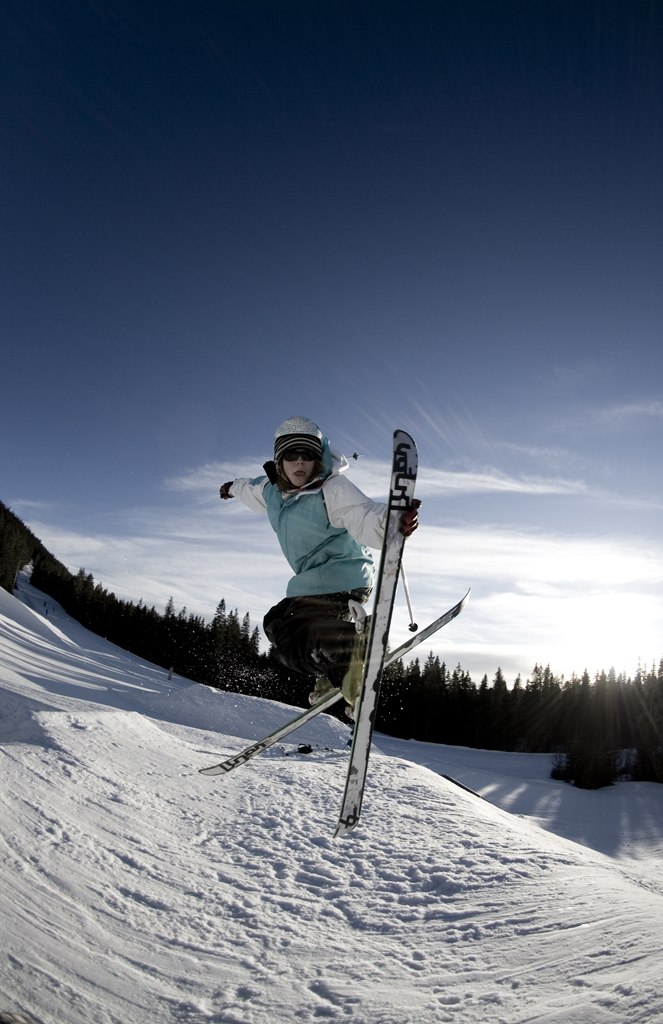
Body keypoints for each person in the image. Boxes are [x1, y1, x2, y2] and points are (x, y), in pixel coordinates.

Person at [219, 416, 419, 715]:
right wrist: (230, 488)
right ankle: (330, 670)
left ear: (319, 458)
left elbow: (362, 514)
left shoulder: (331, 488)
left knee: (290, 639)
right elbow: (249, 488)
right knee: (277, 622)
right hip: (314, 581)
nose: (300, 463)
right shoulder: (271, 492)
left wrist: (392, 522)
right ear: (279, 460)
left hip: (342, 574)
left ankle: (348, 658)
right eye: (291, 455)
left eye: (309, 455)